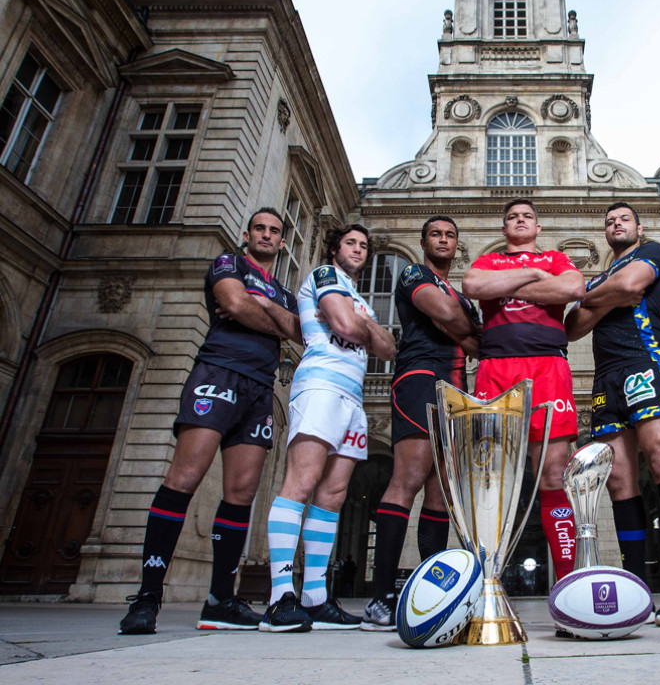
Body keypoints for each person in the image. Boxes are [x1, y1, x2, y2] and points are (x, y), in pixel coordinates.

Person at [119, 208, 301, 635]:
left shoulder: (284, 291)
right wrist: (264, 313)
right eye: (260, 228)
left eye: (275, 231)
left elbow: (299, 329)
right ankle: (148, 596)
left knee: (241, 493)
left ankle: (221, 600)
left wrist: (262, 306)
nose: (267, 235)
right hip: (217, 374)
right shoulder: (228, 263)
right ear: (247, 234)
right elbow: (234, 302)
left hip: (261, 388)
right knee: (184, 478)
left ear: (282, 242)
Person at [566, 202, 660, 626]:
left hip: (644, 365)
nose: (616, 225)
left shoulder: (655, 252)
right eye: (609, 221)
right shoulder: (601, 277)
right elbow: (574, 326)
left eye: (623, 219)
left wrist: (594, 296)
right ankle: (634, 586)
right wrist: (601, 294)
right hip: (605, 379)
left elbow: (628, 287)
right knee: (619, 480)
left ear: (638, 227)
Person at [260, 225, 396, 632]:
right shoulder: (325, 276)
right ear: (335, 248)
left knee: (333, 494)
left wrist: (360, 323)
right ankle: (280, 597)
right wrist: (359, 326)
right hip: (319, 384)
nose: (358, 249)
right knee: (300, 484)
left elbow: (388, 348)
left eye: (364, 245)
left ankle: (316, 598)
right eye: (351, 243)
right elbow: (345, 327)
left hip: (352, 396)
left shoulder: (359, 299)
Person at [361, 216, 480, 631]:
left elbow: (468, 335)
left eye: (450, 234)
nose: (444, 239)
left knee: (442, 488)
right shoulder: (415, 272)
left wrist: (458, 328)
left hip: (455, 385)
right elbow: (448, 315)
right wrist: (458, 326)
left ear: (456, 244)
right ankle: (380, 599)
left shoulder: (459, 292)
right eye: (436, 234)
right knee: (408, 478)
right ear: (424, 241)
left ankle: (431, 593)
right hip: (420, 376)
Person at [462, 199, 585, 583]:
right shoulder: (492, 261)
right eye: (512, 217)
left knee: (553, 474)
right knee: (491, 479)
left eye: (527, 216)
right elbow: (473, 285)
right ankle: (487, 582)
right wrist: (533, 276)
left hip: (548, 367)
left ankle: (565, 579)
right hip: (496, 368)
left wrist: (513, 285)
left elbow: (574, 287)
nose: (520, 220)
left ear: (538, 227)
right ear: (504, 229)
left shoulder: (556, 258)